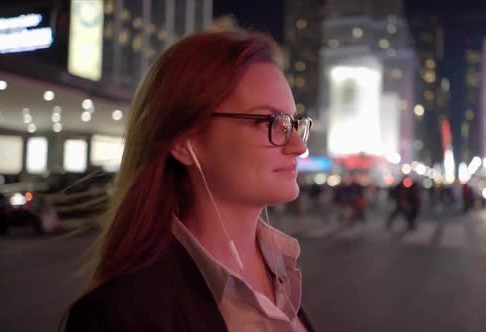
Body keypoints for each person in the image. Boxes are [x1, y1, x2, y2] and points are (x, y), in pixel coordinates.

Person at [63, 30, 315, 332]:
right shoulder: (121, 314)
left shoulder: (282, 271)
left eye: (293, 124)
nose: (298, 147)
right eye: (268, 122)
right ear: (185, 141)